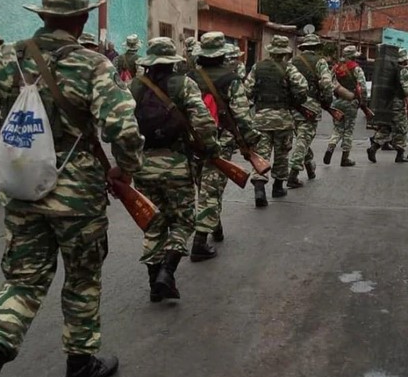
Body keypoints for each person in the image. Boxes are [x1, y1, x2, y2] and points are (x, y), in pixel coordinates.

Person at [0, 0, 144, 377]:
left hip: (22, 192)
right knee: (81, 279)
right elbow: (124, 130)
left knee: (22, 282)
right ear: (81, 18)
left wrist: (12, 148)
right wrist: (125, 170)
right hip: (77, 197)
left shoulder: (4, 59)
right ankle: (80, 365)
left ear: (42, 16)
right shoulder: (94, 65)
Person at [130, 37, 219, 300]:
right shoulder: (184, 84)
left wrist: (128, 162)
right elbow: (203, 121)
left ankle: (153, 283)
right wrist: (211, 149)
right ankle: (166, 273)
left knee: (153, 223)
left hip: (143, 165)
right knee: (183, 221)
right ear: (172, 62)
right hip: (177, 165)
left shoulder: (133, 86)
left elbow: (121, 128)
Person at [189, 32, 262, 250]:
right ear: (222, 56)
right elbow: (242, 115)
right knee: (211, 190)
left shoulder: (189, 78)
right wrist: (251, 141)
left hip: (192, 142)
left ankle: (215, 226)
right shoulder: (231, 80)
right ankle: (199, 242)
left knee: (203, 186)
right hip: (221, 142)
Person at [245, 35, 308, 206]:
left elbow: (247, 91)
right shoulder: (289, 69)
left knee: (261, 154)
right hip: (283, 119)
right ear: (285, 52)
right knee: (281, 154)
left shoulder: (257, 67)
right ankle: (278, 187)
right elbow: (302, 87)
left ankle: (259, 189)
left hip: (261, 119)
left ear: (271, 51)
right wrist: (296, 100)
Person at [287, 34, 335, 187]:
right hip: (311, 106)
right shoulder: (320, 62)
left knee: (302, 137)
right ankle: (293, 173)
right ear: (316, 48)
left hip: (294, 106)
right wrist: (327, 100)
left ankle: (310, 169)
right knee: (304, 139)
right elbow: (327, 83)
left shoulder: (292, 62)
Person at [367, 48, 408, 164]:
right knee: (401, 129)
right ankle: (400, 154)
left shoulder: (389, 70)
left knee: (386, 127)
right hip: (397, 104)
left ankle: (373, 147)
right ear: (404, 60)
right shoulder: (402, 71)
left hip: (386, 103)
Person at [324, 44, 367, 168]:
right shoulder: (356, 69)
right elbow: (362, 87)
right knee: (348, 129)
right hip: (350, 102)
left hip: (337, 101)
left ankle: (331, 146)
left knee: (337, 128)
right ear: (353, 56)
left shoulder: (336, 67)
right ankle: (345, 158)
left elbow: (328, 82)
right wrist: (362, 102)